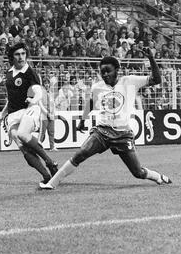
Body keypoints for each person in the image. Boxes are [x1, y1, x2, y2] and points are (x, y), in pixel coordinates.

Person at [40, 51, 172, 190]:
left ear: (117, 70)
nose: (105, 75)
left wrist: (151, 58)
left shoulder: (130, 81)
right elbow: (91, 103)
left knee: (138, 172)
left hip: (122, 134)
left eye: (108, 71)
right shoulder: (97, 87)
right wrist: (82, 120)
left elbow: (156, 80)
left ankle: (158, 177)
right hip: (102, 131)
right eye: (102, 72)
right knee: (80, 154)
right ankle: (52, 183)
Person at [0, 43, 58, 184]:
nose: (21, 57)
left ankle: (50, 162)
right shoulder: (9, 73)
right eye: (17, 54)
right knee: (23, 148)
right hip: (12, 114)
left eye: (23, 54)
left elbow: (38, 92)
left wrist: (33, 100)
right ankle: (47, 177)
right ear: (12, 57)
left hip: (29, 109)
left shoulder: (30, 72)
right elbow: (10, 98)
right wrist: (2, 114)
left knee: (22, 134)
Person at [39, 79, 57, 151]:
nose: (47, 85)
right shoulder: (41, 93)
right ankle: (38, 147)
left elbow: (53, 104)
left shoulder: (51, 93)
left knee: (51, 132)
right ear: (43, 85)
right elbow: (40, 105)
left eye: (47, 83)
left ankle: (52, 147)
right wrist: (47, 113)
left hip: (51, 115)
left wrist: (53, 113)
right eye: (45, 83)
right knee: (42, 132)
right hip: (44, 115)